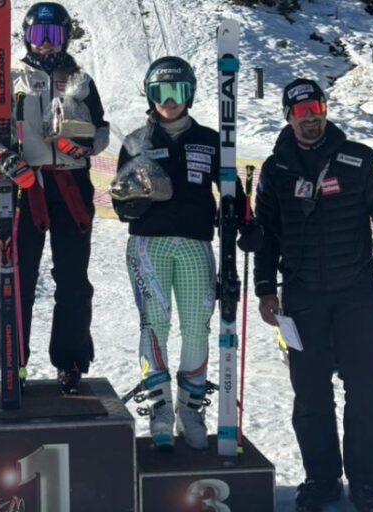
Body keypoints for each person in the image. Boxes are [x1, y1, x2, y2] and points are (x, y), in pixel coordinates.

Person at [253, 78, 373, 512]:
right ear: (288, 116)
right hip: (301, 297)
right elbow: (266, 234)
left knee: (364, 389)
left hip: (356, 293)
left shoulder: (358, 158)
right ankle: (321, 479)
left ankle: (365, 482)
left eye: (317, 109)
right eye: (302, 112)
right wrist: (264, 289)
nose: (311, 118)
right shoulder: (275, 169)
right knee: (310, 392)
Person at [111, 56, 259, 450]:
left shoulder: (210, 140)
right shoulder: (136, 141)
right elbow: (119, 197)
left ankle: (189, 410)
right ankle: (160, 409)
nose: (169, 100)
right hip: (149, 245)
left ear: (189, 93)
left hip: (196, 243)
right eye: (160, 92)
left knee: (197, 326)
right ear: (150, 95)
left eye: (177, 91)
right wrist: (131, 203)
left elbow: (230, 189)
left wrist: (246, 221)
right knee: (154, 326)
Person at [0, 1, 110, 394]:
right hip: (26, 184)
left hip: (71, 185)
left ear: (65, 38)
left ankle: (70, 359)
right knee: (18, 275)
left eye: (53, 35)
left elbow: (102, 129)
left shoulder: (80, 81)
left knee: (73, 278)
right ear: (27, 38)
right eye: (38, 35)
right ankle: (12, 358)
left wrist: (88, 147)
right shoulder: (10, 78)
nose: (46, 43)